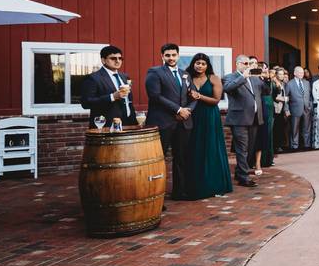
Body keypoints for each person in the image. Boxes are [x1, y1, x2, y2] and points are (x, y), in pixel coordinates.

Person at [145, 43, 197, 198]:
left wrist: (188, 110)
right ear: (162, 56)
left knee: (181, 157)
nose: (171, 58)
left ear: (178, 56)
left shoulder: (185, 74)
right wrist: (178, 109)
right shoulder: (154, 72)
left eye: (174, 55)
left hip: (183, 122)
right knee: (158, 160)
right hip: (163, 122)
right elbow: (155, 96)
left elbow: (193, 95)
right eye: (167, 55)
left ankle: (179, 192)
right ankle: (155, 196)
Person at [183, 53, 232, 200]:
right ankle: (195, 183)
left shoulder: (213, 78)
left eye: (203, 64)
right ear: (193, 64)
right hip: (193, 115)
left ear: (207, 65)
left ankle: (214, 184)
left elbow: (216, 100)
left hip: (210, 116)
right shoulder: (187, 78)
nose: (200, 66)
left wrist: (199, 96)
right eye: (197, 63)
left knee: (210, 147)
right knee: (194, 147)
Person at [223, 55, 264, 188]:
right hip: (239, 119)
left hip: (254, 118)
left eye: (250, 63)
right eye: (246, 63)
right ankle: (244, 177)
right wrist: (244, 77)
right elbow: (228, 88)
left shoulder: (254, 78)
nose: (248, 65)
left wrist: (265, 78)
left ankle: (240, 172)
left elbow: (266, 91)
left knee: (250, 148)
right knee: (242, 149)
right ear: (238, 64)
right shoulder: (230, 76)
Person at [80, 45, 137, 129]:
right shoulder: (93, 78)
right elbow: (86, 103)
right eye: (113, 58)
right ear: (103, 60)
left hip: (129, 123)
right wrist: (112, 97)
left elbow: (128, 101)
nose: (118, 61)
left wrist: (134, 121)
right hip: (107, 126)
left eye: (120, 58)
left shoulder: (125, 77)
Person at [252, 65, 279, 172]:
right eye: (263, 69)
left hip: (269, 107)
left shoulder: (268, 81)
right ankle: (258, 161)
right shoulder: (255, 80)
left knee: (269, 133)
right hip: (260, 107)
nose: (265, 71)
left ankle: (268, 158)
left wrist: (273, 81)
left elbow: (273, 93)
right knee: (260, 134)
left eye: (266, 69)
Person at [285, 66, 311, 152]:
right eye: (299, 72)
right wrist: (286, 109)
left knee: (306, 128)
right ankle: (294, 146)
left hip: (306, 109)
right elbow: (286, 97)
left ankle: (306, 145)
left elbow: (310, 96)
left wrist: (310, 105)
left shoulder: (307, 83)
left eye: (302, 72)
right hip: (295, 109)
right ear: (295, 73)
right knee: (294, 129)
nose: (301, 74)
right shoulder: (289, 83)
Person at [273, 68, 289, 153]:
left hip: (281, 108)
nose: (281, 76)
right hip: (276, 109)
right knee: (276, 128)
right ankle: (276, 146)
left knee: (280, 127)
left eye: (283, 74)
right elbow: (275, 97)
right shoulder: (275, 83)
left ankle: (279, 145)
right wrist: (285, 99)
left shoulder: (283, 83)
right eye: (280, 74)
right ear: (276, 75)